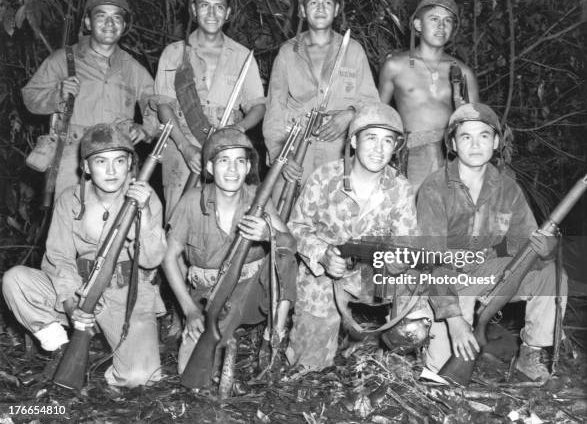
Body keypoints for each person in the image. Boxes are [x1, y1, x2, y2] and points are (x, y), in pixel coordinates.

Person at [2, 123, 167, 387]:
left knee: (140, 378)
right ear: (87, 167)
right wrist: (71, 304)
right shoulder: (70, 199)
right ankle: (61, 348)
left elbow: (152, 259)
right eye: (101, 161)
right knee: (15, 280)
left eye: (120, 161)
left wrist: (144, 214)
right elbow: (59, 257)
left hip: (126, 292)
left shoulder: (145, 197)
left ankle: (113, 358)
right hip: (80, 287)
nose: (112, 171)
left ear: (130, 165)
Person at [417, 103, 562, 382]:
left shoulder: (508, 188)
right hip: (443, 281)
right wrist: (455, 320)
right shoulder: (434, 188)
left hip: (487, 271)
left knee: (550, 274)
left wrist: (547, 250)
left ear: (496, 142)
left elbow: (527, 242)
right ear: (453, 144)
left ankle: (530, 353)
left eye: (483, 136)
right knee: (439, 375)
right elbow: (429, 261)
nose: (475, 145)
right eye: (465, 137)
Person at [286, 101, 428, 370]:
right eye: (371, 138)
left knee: (415, 323)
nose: (378, 148)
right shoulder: (324, 178)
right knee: (308, 367)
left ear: (395, 147)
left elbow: (407, 243)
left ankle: (381, 354)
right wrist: (323, 255)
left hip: (374, 277)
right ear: (353, 141)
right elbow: (296, 227)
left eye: (388, 141)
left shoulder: (400, 188)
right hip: (326, 278)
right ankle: (332, 343)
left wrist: (400, 261)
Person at [162, 127, 296, 374]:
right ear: (211, 168)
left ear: (247, 168)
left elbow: (290, 242)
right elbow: (169, 258)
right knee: (192, 373)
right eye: (224, 161)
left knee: (284, 253)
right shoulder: (192, 201)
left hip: (254, 290)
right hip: (210, 293)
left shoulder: (258, 197)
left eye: (240, 162)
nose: (233, 170)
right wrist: (190, 310)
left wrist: (269, 235)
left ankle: (274, 335)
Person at [22, 0, 159, 195]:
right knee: (69, 217)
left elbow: (156, 102)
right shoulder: (63, 59)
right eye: (101, 16)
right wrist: (57, 94)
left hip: (118, 157)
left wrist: (146, 129)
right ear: (87, 22)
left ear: (124, 26)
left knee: (116, 223)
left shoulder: (132, 67)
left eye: (117, 18)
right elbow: (30, 96)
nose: (109, 24)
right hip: (73, 157)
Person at [154, 0, 266, 217]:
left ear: (228, 14)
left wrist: (239, 129)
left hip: (228, 147)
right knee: (178, 218)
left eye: (219, 7)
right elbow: (164, 106)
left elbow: (257, 106)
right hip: (183, 145)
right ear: (194, 10)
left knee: (226, 218)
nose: (212, 13)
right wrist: (185, 148)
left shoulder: (243, 56)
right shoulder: (173, 54)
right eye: (205, 5)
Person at [262, 0, 379, 196]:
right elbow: (274, 108)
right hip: (295, 147)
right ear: (303, 11)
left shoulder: (352, 50)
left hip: (339, 148)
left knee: (335, 215)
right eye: (313, 3)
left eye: (327, 3)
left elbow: (372, 102)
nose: (321, 9)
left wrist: (350, 115)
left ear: (336, 10)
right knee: (286, 214)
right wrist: (280, 154)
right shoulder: (288, 52)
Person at [379, 0, 479, 191]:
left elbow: (477, 124)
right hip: (411, 156)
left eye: (447, 21)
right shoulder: (395, 66)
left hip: (452, 156)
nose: (441, 26)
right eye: (434, 19)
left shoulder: (463, 71)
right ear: (417, 25)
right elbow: (377, 117)